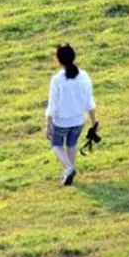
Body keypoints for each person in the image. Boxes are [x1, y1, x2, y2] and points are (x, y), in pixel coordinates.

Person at [44, 43, 97, 185]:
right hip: (79, 121)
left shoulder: (57, 80)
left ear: (59, 60)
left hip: (61, 121)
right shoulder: (84, 76)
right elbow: (90, 101)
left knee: (56, 145)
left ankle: (69, 168)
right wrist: (94, 122)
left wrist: (48, 124)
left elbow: (52, 104)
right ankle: (68, 174)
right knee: (71, 145)